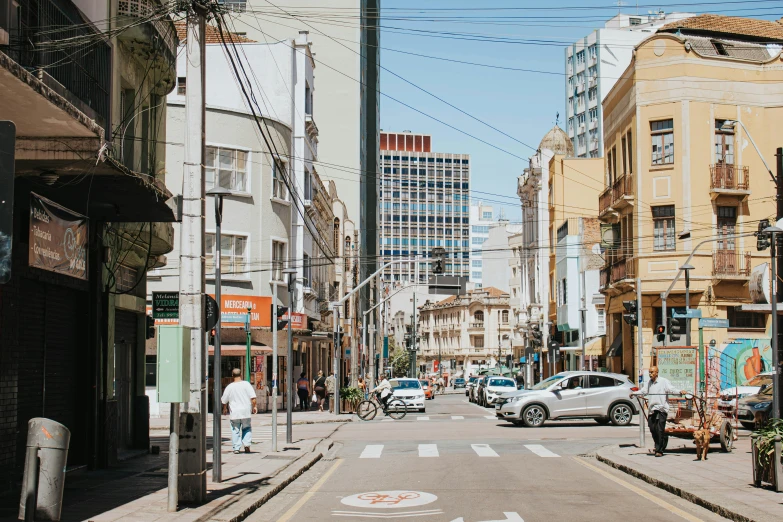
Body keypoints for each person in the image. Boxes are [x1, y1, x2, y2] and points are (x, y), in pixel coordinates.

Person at [633, 366, 687, 457]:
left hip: (662, 408)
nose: (650, 374)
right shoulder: (649, 382)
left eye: (652, 372)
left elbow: (671, 389)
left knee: (659, 429)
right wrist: (634, 393)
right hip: (652, 409)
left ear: (657, 373)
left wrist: (680, 392)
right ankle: (663, 439)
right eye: (649, 372)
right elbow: (643, 391)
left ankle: (659, 450)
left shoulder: (663, 381)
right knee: (652, 428)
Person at [221, 368, 257, 454]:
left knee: (235, 430)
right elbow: (253, 397)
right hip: (245, 411)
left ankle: (236, 448)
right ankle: (247, 445)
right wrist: (254, 406)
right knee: (247, 428)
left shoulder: (229, 387)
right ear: (241, 374)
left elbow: (224, 400)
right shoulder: (246, 384)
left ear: (232, 375)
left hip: (235, 412)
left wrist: (225, 408)